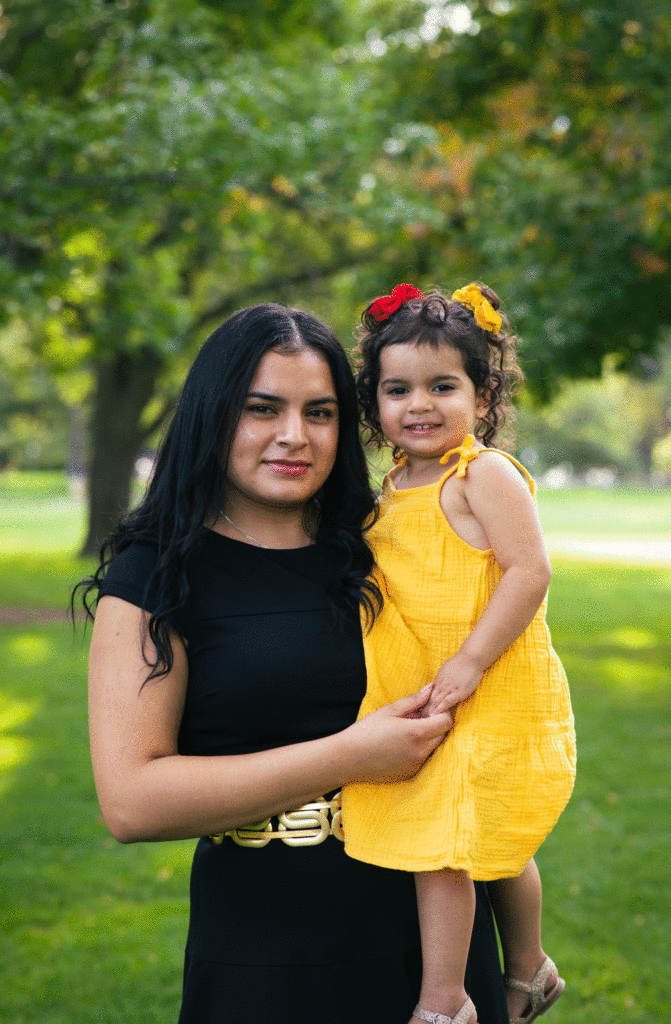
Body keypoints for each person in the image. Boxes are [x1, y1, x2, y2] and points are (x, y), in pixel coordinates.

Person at [74, 302, 510, 1024]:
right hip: (268, 941)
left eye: (320, 412)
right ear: (213, 415)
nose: (293, 436)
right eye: (262, 408)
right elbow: (131, 801)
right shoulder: (156, 575)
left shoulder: (386, 546)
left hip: (436, 935)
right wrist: (348, 756)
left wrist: (521, 954)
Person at [341, 284, 577, 1024]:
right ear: (374, 403)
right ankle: (532, 968)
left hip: (490, 681)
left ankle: (445, 1001)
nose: (419, 404)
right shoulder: (391, 488)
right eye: (397, 389)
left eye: (442, 386)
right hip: (427, 686)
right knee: (480, 832)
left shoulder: (482, 474)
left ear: (483, 396)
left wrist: (471, 661)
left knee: (446, 843)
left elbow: (528, 571)